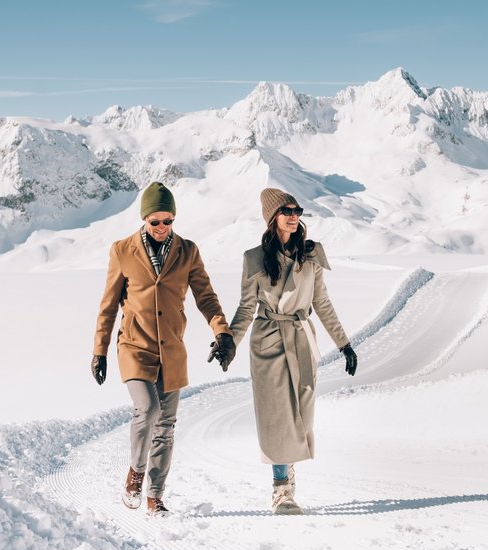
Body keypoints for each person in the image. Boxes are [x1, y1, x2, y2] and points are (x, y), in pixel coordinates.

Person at [92, 181, 236, 516]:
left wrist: (222, 332)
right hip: (134, 346)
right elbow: (109, 306)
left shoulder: (188, 251)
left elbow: (206, 297)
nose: (161, 228)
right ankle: (136, 471)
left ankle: (155, 496)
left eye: (167, 221)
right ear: (144, 219)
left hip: (171, 350)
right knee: (148, 409)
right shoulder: (122, 251)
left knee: (166, 426)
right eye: (154, 221)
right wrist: (99, 351)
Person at [227, 187, 358, 515]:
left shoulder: (311, 255)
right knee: (277, 420)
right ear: (273, 218)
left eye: (297, 210)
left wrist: (345, 344)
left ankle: (288, 473)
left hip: (301, 339)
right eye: (287, 211)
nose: (294, 216)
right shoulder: (254, 259)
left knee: (301, 416)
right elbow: (245, 310)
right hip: (268, 341)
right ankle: (282, 491)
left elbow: (322, 303)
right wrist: (229, 342)